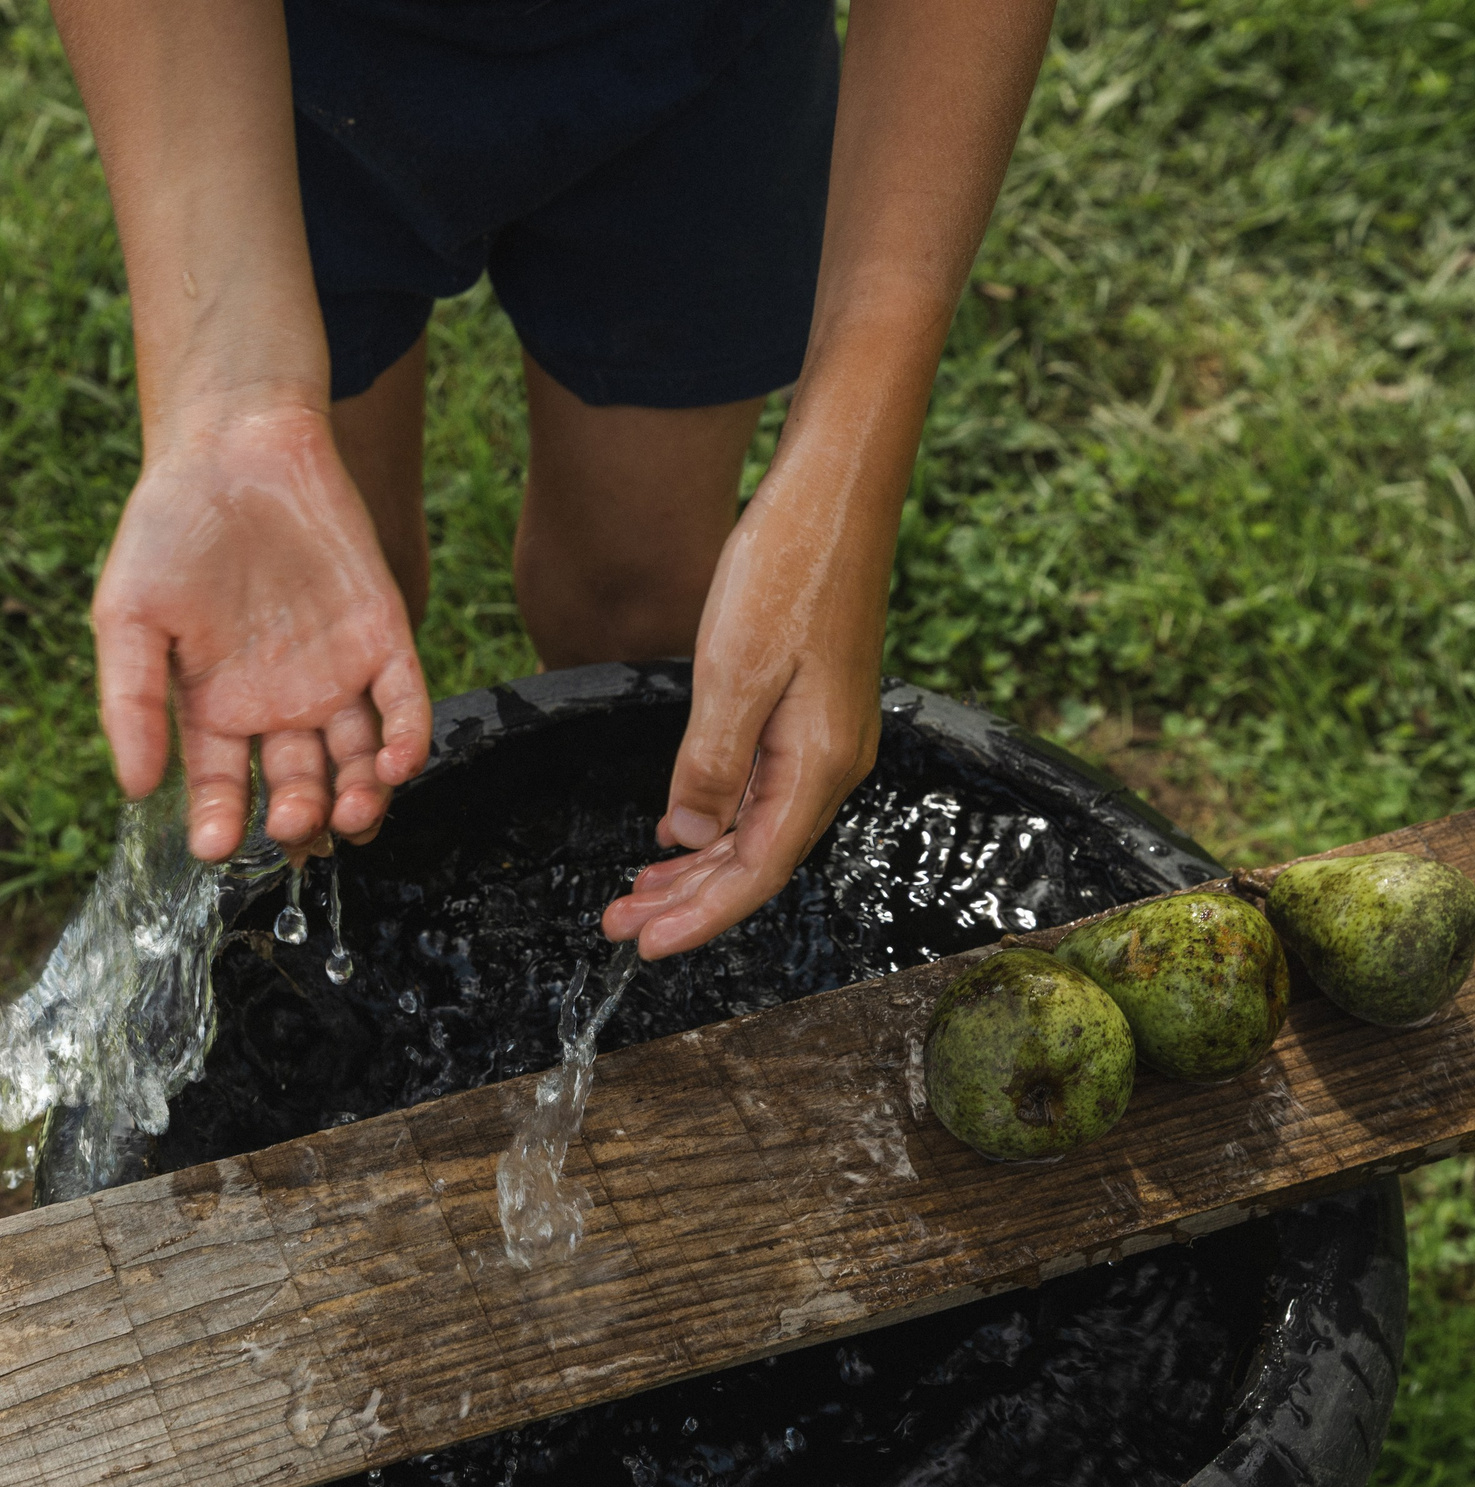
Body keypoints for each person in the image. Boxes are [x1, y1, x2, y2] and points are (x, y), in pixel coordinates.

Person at [61, 0, 1057, 959]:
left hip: (690, 49)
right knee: (323, 634)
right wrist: (230, 406)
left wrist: (848, 485)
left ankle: (616, 933)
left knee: (639, 605)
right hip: (276, 62)